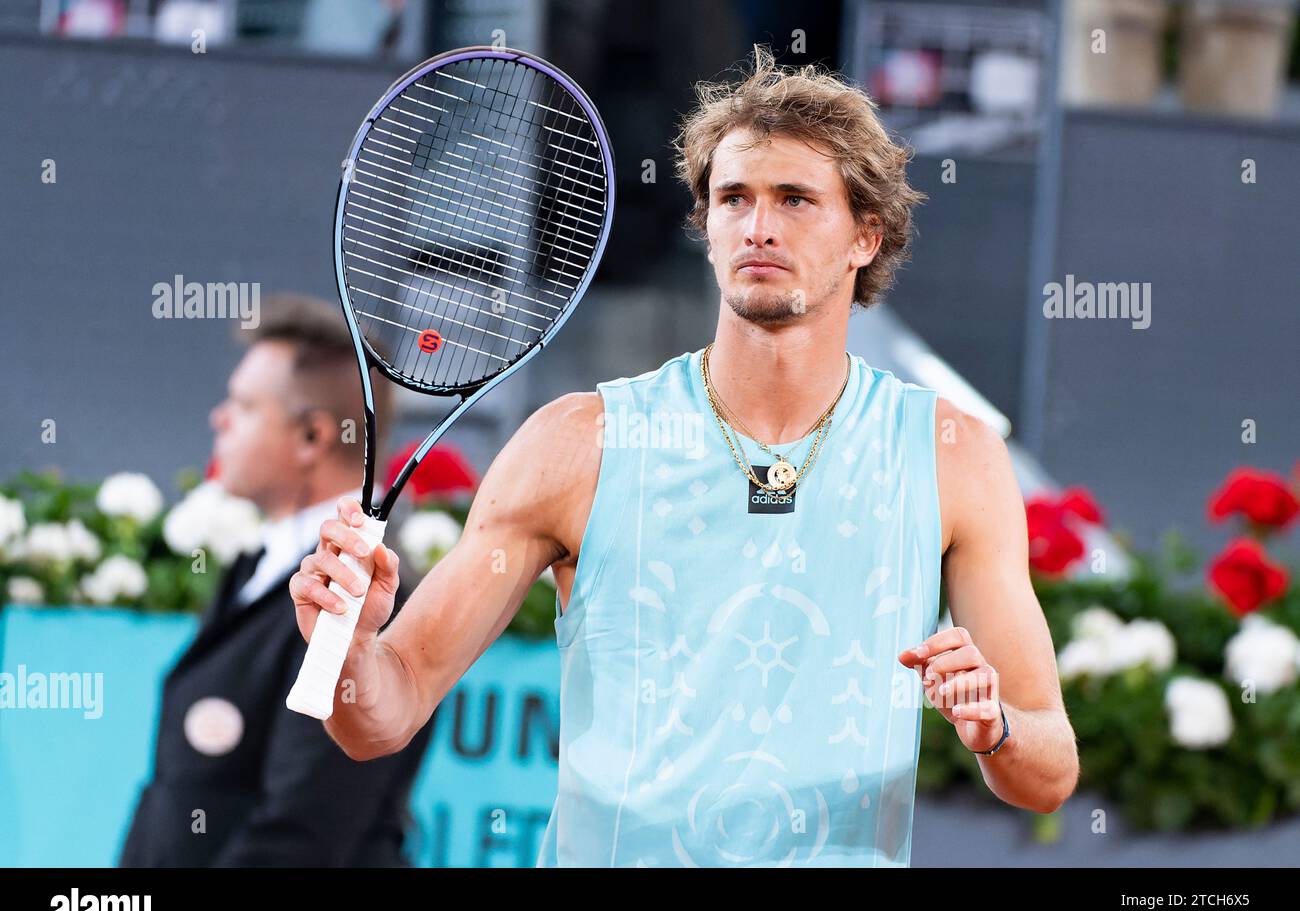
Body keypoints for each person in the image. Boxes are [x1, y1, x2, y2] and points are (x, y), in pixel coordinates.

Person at [290, 46, 1080, 867]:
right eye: (733, 198)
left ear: (865, 238)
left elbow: (1048, 769)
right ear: (707, 229)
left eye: (796, 200)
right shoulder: (576, 445)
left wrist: (994, 728)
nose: (759, 226)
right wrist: (348, 653)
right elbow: (388, 710)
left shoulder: (952, 456)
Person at [120, 294, 433, 867]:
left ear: (313, 438)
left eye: (243, 406)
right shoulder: (255, 565)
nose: (219, 419)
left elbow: (303, 835)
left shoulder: (366, 595)